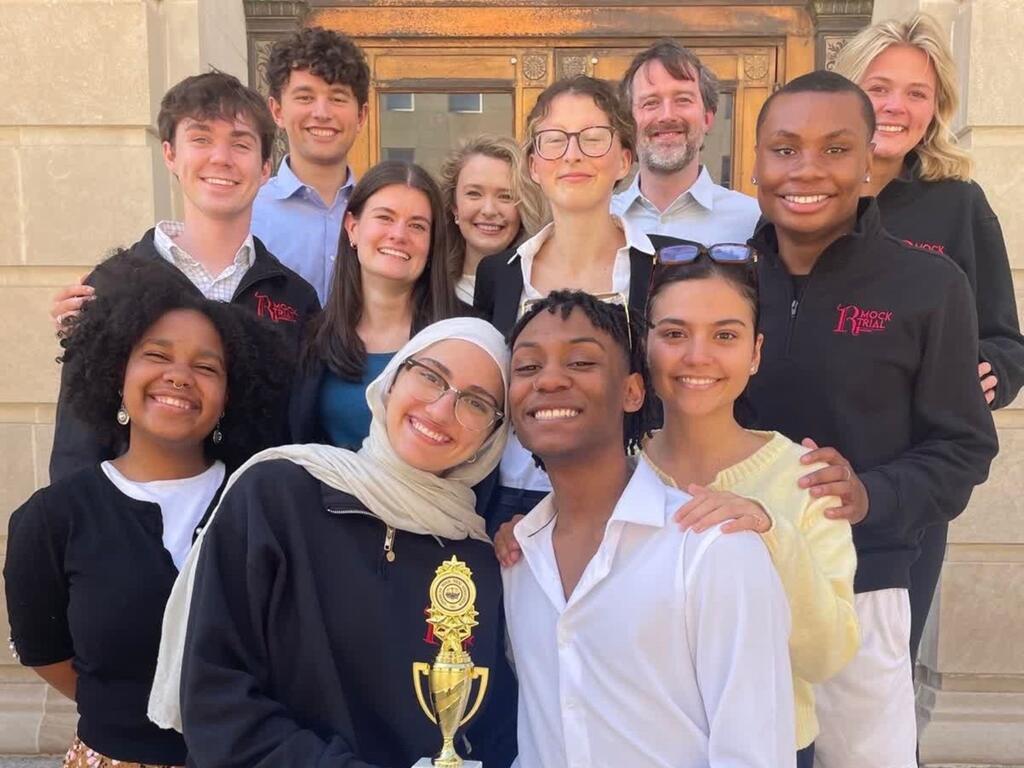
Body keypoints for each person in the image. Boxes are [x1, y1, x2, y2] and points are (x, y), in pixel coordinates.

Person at [745, 70, 998, 768]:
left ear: (867, 164)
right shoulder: (721, 280)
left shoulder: (930, 286)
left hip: (864, 585)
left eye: (835, 149)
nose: (806, 169)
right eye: (785, 149)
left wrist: (870, 495)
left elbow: (962, 447)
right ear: (756, 163)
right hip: (733, 582)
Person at [147, 318, 517, 768]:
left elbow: (490, 731)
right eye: (430, 376)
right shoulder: (277, 495)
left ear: (492, 438)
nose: (441, 410)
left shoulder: (477, 557)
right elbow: (215, 696)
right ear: (393, 379)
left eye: (476, 403)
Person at [4, 253, 291, 768]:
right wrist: (129, 718)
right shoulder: (53, 519)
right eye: (157, 355)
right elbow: (45, 653)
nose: (179, 376)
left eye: (206, 367)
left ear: (230, 396)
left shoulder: (266, 505)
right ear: (118, 373)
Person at [503, 290, 794, 768]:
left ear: (632, 391)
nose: (549, 380)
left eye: (581, 362)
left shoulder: (712, 547)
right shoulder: (518, 558)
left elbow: (755, 751)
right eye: (528, 367)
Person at [834, 12, 1024, 662]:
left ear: (936, 108)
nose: (896, 106)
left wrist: (992, 370)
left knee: (880, 681)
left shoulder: (958, 204)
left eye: (917, 92)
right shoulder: (809, 190)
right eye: (879, 87)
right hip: (803, 468)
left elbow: (1003, 338)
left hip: (906, 485)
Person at [638, 242, 858, 767]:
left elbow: (827, 655)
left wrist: (772, 532)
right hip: (642, 747)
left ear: (755, 352)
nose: (698, 356)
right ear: (645, 345)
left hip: (772, 747)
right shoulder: (617, 474)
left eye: (725, 336)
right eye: (674, 334)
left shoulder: (806, 479)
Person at [48, 71, 320, 482]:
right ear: (170, 154)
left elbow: (301, 434)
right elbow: (78, 441)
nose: (221, 158)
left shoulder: (295, 298)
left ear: (265, 167)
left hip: (253, 516)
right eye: (201, 139)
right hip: (134, 516)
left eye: (240, 144)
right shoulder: (112, 285)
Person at [474, 75, 653, 532]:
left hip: (635, 492)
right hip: (512, 499)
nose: (572, 154)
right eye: (554, 140)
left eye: (593, 138)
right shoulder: (500, 274)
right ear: (534, 165)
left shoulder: (666, 267)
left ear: (624, 159)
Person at [288, 160, 459, 448]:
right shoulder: (311, 337)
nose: (399, 235)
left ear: (432, 244)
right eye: (385, 218)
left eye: (417, 226)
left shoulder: (464, 337)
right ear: (353, 228)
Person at [253, 27, 371, 304]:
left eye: (337, 98)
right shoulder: (247, 212)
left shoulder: (381, 213)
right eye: (305, 97)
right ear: (277, 111)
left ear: (361, 116)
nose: (322, 113)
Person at [611, 39, 760, 243]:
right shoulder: (599, 220)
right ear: (629, 122)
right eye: (650, 103)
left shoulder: (753, 223)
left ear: (707, 118)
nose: (667, 115)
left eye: (683, 100)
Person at [439, 134, 547, 305]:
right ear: (454, 206)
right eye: (474, 194)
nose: (489, 210)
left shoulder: (542, 290)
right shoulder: (429, 290)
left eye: (506, 196)